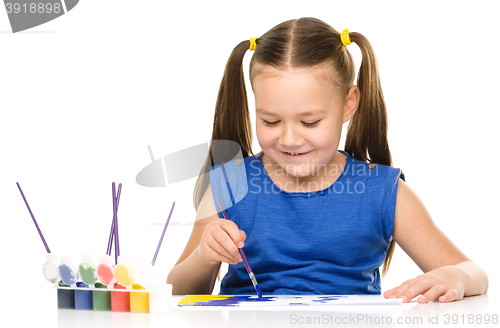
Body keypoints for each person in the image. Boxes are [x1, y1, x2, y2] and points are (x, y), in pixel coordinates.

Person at [167, 17, 488, 303]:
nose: (290, 138)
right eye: (270, 121)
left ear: (348, 105)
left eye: (309, 122)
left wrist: (455, 277)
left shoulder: (381, 192)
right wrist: (202, 256)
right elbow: (176, 291)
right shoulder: (230, 185)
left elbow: (473, 272)